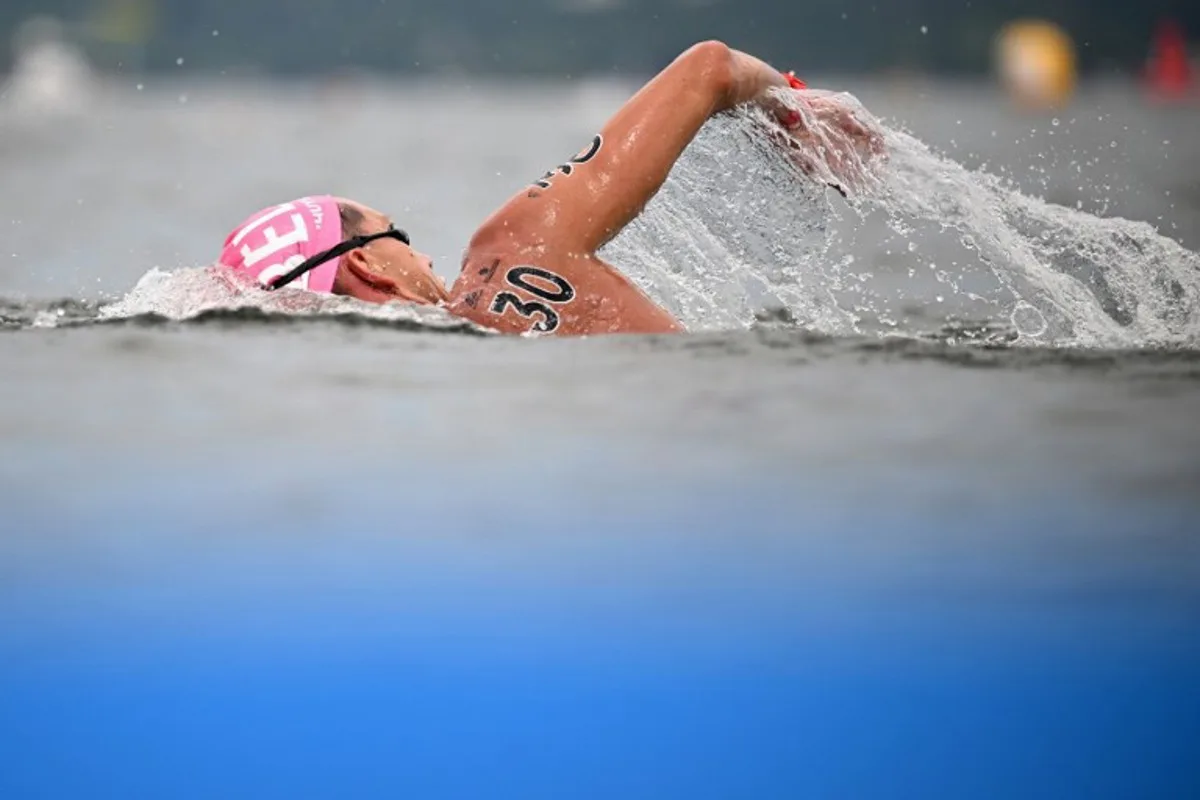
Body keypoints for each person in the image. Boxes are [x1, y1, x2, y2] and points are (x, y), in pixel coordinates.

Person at [217, 41, 881, 336]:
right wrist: (796, 111)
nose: (424, 258)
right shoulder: (513, 249)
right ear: (366, 265)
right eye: (401, 237)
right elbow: (709, 67)